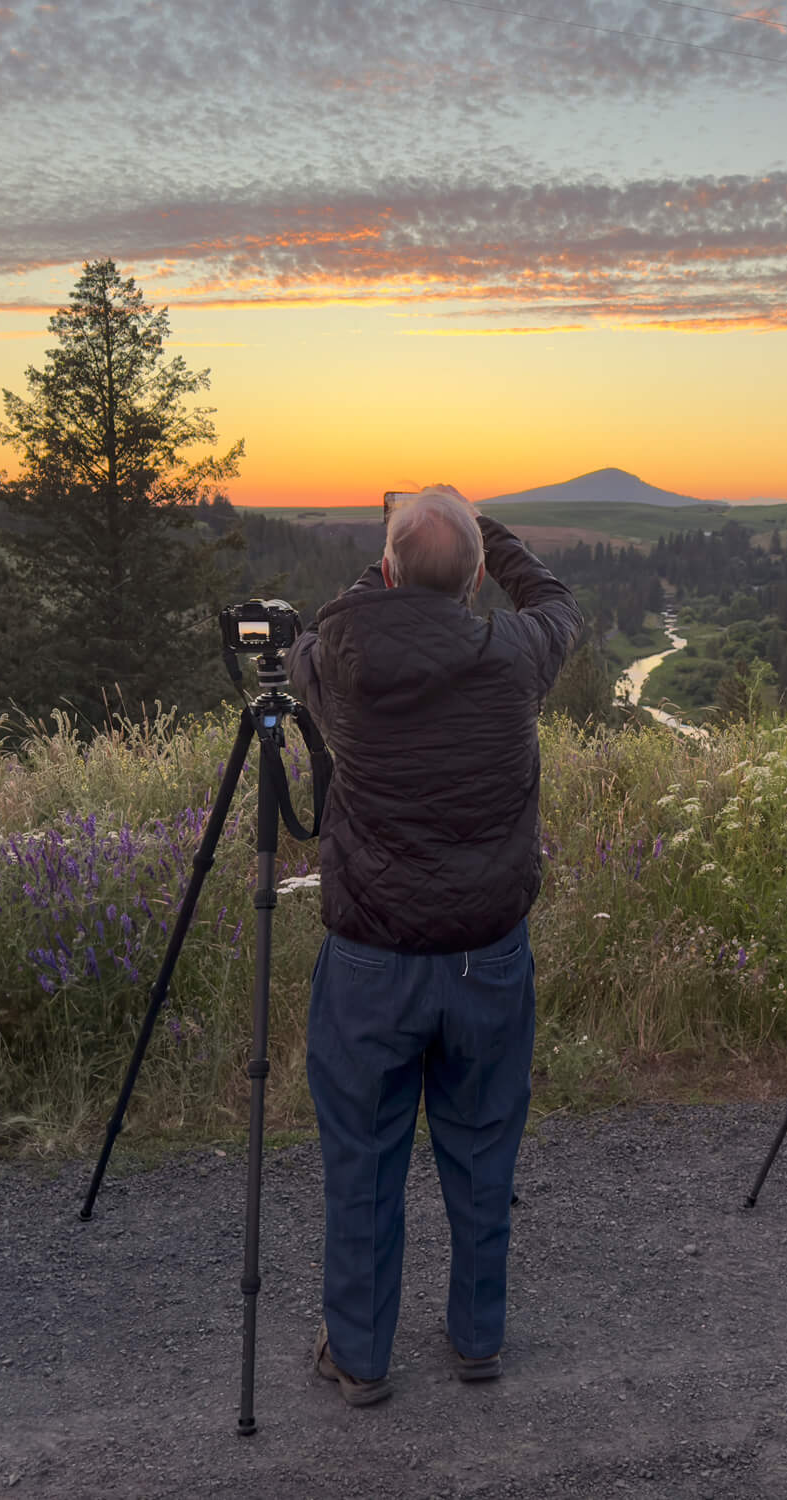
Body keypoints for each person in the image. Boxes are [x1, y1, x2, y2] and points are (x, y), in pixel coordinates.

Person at [290, 485, 579, 1406]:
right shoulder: (515, 654)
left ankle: (363, 1356)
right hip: (488, 955)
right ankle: (477, 1338)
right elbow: (558, 605)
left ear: (383, 570)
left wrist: (389, 558)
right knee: (483, 1148)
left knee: (363, 1159)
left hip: (371, 959)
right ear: (479, 577)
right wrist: (487, 536)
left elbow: (327, 625)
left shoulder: (337, 650)